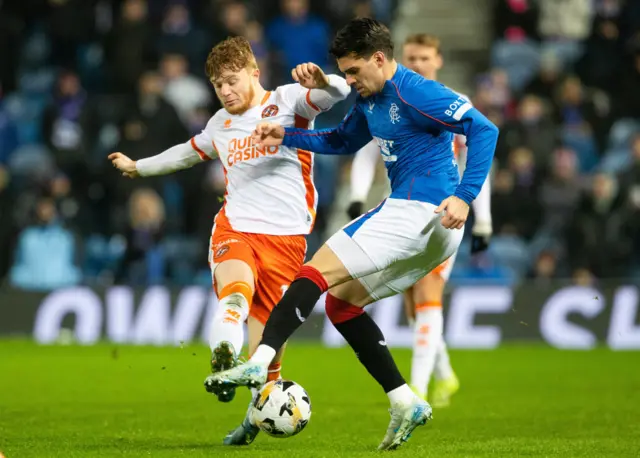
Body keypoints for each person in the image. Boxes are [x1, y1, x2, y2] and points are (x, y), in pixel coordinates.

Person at [206, 18, 499, 450]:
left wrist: (465, 196)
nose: (348, 80)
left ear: (379, 59)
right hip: (432, 231)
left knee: (312, 273)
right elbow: (343, 141)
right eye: (344, 72)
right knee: (342, 305)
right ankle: (404, 401)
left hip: (419, 211)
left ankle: (261, 360)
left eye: (354, 71)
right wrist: (287, 135)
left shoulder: (414, 90)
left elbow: (484, 129)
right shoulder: (371, 99)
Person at [108, 36, 350, 445]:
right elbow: (186, 152)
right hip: (236, 225)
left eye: (232, 81)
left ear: (254, 73)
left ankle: (252, 419)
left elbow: (339, 95)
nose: (225, 91)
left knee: (265, 350)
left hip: (287, 240)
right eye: (218, 85)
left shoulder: (288, 100)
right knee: (235, 293)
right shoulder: (219, 123)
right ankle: (222, 356)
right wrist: (139, 167)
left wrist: (324, 80)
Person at [347, 33, 493, 407]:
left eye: (424, 58)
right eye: (411, 57)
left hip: (446, 210)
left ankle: (419, 390)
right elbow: (367, 153)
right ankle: (444, 375)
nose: (417, 64)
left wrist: (482, 220)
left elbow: (477, 159)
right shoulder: (393, 98)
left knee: (427, 296)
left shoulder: (446, 103)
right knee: (414, 305)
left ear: (438, 61)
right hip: (404, 205)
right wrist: (358, 195)